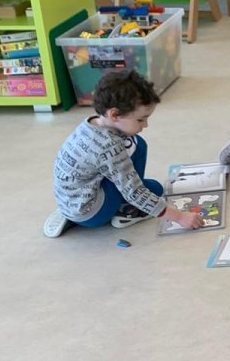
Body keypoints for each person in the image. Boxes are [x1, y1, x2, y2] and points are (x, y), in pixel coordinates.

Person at [45, 70, 204, 238]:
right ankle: (128, 211)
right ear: (114, 115)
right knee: (149, 176)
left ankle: (72, 216)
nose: (145, 125)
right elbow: (134, 191)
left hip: (71, 201)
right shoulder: (109, 146)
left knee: (139, 152)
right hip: (93, 214)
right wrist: (179, 217)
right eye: (140, 119)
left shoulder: (91, 124)